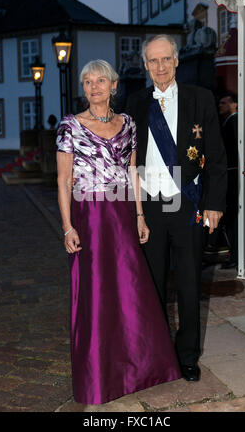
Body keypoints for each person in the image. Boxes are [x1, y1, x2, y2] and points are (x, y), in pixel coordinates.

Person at [56, 59, 181, 405]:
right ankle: (100, 378)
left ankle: (141, 370)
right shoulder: (70, 126)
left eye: (100, 81)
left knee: (131, 291)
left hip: (122, 214)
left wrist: (140, 216)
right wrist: (67, 227)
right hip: (90, 217)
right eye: (87, 82)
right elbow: (64, 180)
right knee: (96, 296)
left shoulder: (127, 124)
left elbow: (132, 173)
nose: (93, 87)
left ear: (113, 86)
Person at [125, 34, 227, 382]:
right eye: (153, 61)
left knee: (187, 284)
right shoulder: (135, 103)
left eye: (165, 59)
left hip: (187, 204)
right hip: (150, 207)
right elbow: (123, 158)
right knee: (151, 285)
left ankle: (187, 356)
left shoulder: (200, 98)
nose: (160, 67)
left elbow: (215, 156)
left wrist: (214, 204)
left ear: (177, 61)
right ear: (146, 65)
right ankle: (155, 354)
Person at [218, 93, 238, 269]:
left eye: (224, 103)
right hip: (229, 173)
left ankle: (235, 256)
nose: (220, 106)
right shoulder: (228, 122)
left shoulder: (234, 122)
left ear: (234, 105)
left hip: (232, 175)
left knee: (232, 216)